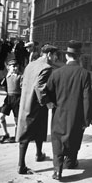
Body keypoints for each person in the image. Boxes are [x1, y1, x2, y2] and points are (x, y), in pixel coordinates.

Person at [46, 40, 92, 180]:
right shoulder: (85, 74)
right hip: (77, 115)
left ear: (67, 56)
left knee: (57, 140)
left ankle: (57, 170)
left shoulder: (56, 73)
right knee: (74, 137)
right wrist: (86, 118)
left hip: (59, 113)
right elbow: (87, 99)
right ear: (79, 57)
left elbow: (48, 92)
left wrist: (53, 103)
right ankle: (71, 162)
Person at [16, 44, 58, 175]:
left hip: (26, 102)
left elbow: (22, 82)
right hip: (36, 106)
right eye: (55, 55)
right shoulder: (47, 68)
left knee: (36, 130)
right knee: (28, 134)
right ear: (49, 54)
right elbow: (40, 86)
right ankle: (21, 165)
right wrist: (47, 102)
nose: (56, 58)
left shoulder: (31, 64)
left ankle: (39, 154)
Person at [0, 59, 22, 144]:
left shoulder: (20, 77)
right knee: (1, 116)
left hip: (18, 99)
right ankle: (5, 134)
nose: (15, 68)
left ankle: (17, 135)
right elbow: (2, 85)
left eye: (16, 66)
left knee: (16, 119)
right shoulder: (7, 77)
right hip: (8, 99)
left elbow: (23, 88)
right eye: (13, 66)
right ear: (8, 67)